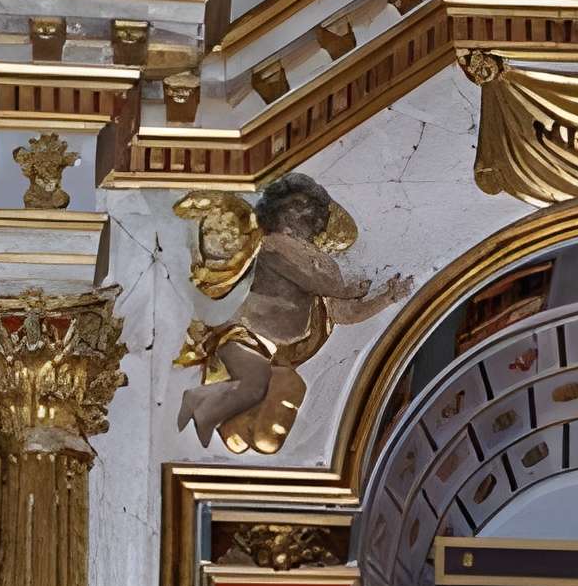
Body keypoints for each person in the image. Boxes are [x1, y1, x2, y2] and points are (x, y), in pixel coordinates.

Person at [175, 172, 411, 455]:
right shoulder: (272, 244)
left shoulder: (325, 267)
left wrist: (385, 299)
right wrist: (346, 289)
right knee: (267, 388)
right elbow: (307, 276)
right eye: (297, 205)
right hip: (246, 335)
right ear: (277, 209)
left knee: (270, 405)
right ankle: (208, 409)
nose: (305, 214)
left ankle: (234, 423)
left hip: (276, 350)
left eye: (313, 211)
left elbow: (343, 312)